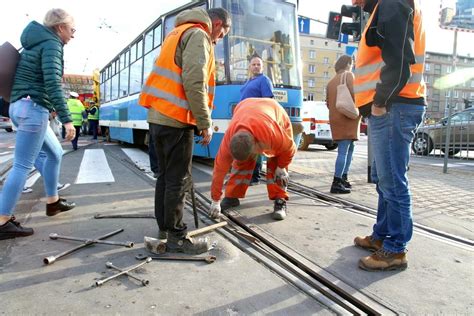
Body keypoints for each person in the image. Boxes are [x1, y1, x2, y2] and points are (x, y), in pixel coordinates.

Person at [139, 7, 231, 253]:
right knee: (178, 180)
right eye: (222, 33)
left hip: (158, 118)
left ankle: (165, 227)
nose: (219, 38)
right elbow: (194, 81)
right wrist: (205, 122)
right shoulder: (199, 35)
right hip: (176, 120)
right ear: (218, 23)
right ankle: (177, 237)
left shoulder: (176, 32)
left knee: (165, 177)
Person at [352, 0, 426, 271]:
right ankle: (381, 235)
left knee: (392, 181)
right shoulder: (385, 4)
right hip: (393, 105)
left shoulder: (392, 2)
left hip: (394, 105)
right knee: (387, 180)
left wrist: (380, 101)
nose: (352, 2)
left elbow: (400, 59)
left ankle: (395, 249)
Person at [0, 8, 77, 240]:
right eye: (72, 29)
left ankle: (53, 202)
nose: (73, 34)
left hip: (19, 105)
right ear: (60, 27)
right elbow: (53, 83)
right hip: (33, 109)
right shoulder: (52, 44)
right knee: (23, 165)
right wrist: (67, 120)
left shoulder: (36, 41)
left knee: (55, 154)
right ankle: (2, 220)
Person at [208, 98, 296, 221]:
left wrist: (282, 167)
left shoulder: (272, 134)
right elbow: (219, 171)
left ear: (256, 144)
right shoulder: (229, 141)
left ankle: (280, 199)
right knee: (241, 163)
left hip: (275, 115)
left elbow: (290, 148)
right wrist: (215, 200)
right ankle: (232, 196)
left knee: (276, 163)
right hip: (246, 108)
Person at [326, 55, 360, 194]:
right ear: (347, 64)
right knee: (345, 150)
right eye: (351, 64)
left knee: (349, 148)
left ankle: (344, 178)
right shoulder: (348, 76)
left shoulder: (331, 82)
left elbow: (328, 103)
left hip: (336, 117)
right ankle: (337, 181)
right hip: (348, 117)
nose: (351, 66)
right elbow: (356, 95)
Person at [240, 55, 274, 185]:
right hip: (245, 119)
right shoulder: (249, 80)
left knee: (256, 148)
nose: (256, 66)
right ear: (249, 66)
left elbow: (268, 101)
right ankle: (249, 174)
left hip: (256, 120)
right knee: (249, 146)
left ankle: (255, 175)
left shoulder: (264, 80)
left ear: (262, 67)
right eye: (253, 64)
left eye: (258, 64)